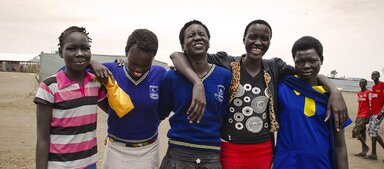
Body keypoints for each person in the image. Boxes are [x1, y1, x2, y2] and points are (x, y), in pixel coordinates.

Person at [171, 19, 348, 168]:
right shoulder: (227, 62)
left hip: (264, 149)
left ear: (270, 41)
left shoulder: (275, 67)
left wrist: (334, 91)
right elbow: (178, 55)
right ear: (244, 39)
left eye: (264, 38)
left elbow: (307, 72)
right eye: (252, 37)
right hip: (231, 147)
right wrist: (197, 82)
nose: (258, 42)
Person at [158, 20, 232, 169]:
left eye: (202, 34)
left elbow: (223, 113)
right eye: (191, 35)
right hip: (178, 154)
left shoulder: (224, 76)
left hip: (211, 155)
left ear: (209, 42)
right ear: (183, 46)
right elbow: (161, 111)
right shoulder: (171, 77)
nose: (197, 37)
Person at [90, 29, 166, 169]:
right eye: (133, 63)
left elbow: (166, 105)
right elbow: (69, 69)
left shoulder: (160, 74)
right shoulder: (110, 71)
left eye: (144, 65)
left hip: (148, 150)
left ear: (153, 58)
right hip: (116, 149)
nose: (138, 69)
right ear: (126, 53)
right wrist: (92, 63)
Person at [273, 36, 351, 169]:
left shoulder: (332, 99)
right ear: (294, 62)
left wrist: (335, 91)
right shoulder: (282, 88)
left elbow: (340, 146)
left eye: (312, 60)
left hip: (321, 165)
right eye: (300, 61)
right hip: (286, 163)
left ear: (321, 59)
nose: (306, 66)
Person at [34, 26, 106, 169]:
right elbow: (42, 138)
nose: (79, 53)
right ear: (61, 52)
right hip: (60, 165)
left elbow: (114, 109)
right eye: (72, 48)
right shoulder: (49, 86)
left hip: (89, 163)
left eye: (85, 48)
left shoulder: (96, 83)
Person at [365, 71, 384, 161]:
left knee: (374, 133)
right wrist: (370, 113)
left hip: (379, 113)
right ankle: (373, 154)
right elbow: (374, 101)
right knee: (372, 133)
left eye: (375, 75)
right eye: (372, 75)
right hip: (373, 113)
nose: (374, 76)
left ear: (379, 76)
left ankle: (374, 154)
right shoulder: (373, 87)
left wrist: (382, 112)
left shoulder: (382, 85)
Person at [352, 79, 371, 157]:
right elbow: (360, 105)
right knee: (362, 133)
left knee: (355, 130)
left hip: (365, 115)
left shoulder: (369, 92)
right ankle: (364, 152)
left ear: (366, 84)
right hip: (359, 115)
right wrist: (357, 116)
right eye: (360, 83)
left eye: (363, 83)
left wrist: (370, 115)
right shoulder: (359, 93)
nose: (361, 84)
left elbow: (370, 104)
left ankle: (366, 147)